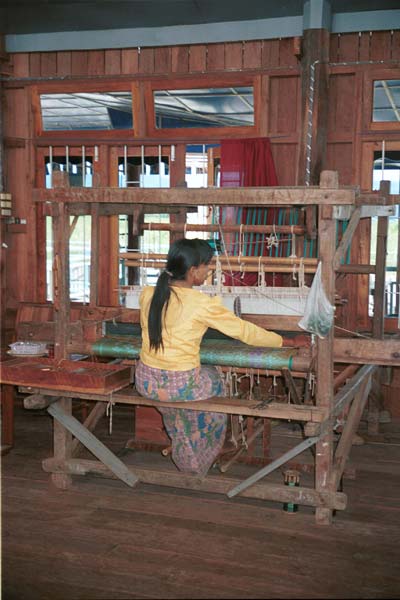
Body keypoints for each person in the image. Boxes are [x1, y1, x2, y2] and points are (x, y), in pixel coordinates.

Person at [135, 238, 285, 477]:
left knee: (182, 410)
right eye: (207, 266)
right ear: (193, 271)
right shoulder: (201, 303)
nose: (209, 271)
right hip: (180, 386)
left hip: (146, 381)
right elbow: (244, 331)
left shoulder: (148, 294)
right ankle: (202, 455)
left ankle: (185, 449)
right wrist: (280, 341)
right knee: (215, 380)